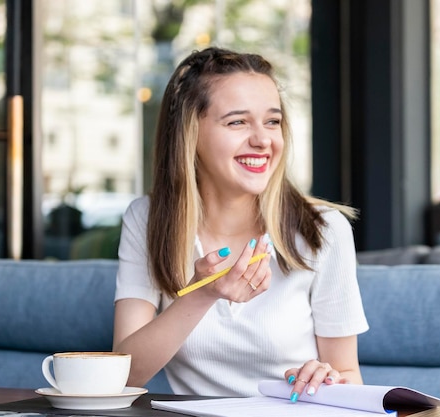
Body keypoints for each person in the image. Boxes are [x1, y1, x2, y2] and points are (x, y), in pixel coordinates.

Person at [112, 46, 369, 402]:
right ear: (190, 133)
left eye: (273, 121)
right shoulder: (147, 219)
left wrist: (328, 380)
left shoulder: (323, 229)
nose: (263, 140)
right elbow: (123, 375)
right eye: (237, 122)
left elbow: (348, 375)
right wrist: (202, 293)